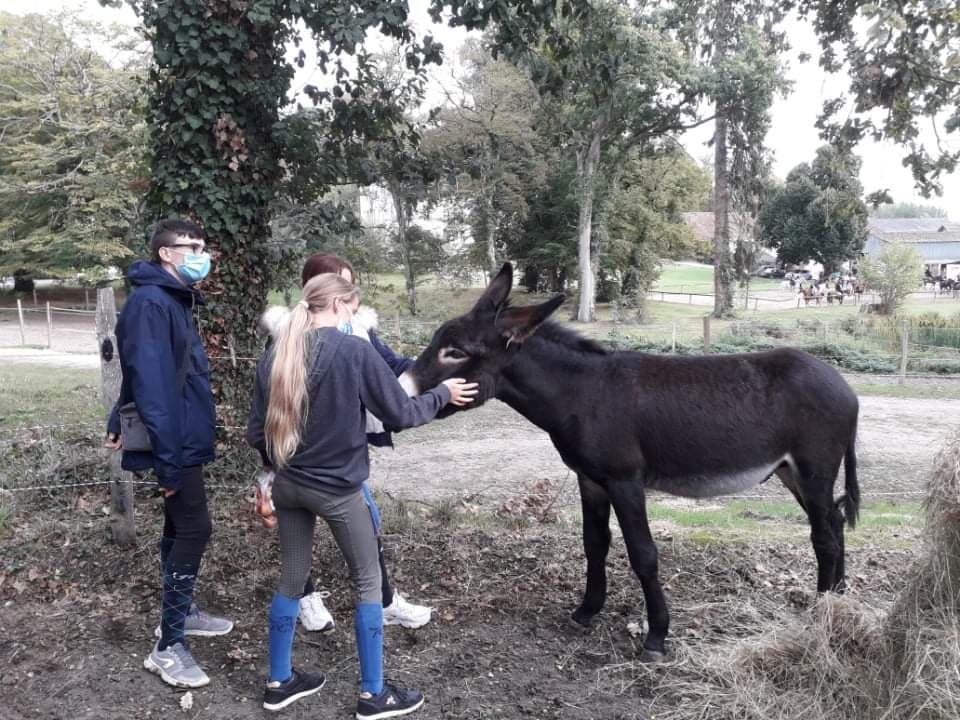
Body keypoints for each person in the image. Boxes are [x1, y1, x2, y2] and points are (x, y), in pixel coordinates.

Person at [246, 273, 476, 716]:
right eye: (353, 308)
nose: (355, 316)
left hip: (289, 486)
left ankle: (279, 681)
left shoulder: (277, 352)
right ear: (339, 305)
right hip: (338, 492)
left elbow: (257, 431)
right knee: (369, 582)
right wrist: (442, 393)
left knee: (292, 578)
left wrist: (278, 473)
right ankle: (373, 695)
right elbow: (401, 412)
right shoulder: (353, 351)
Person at [104, 219, 233, 689]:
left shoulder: (172, 301)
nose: (202, 254)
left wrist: (119, 415)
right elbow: (152, 386)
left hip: (183, 434)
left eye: (204, 245)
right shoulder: (151, 304)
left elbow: (145, 375)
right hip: (174, 439)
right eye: (192, 246)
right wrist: (169, 459)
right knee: (195, 528)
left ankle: (182, 612)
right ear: (166, 253)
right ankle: (168, 645)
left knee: (180, 525)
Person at [279, 253, 428, 634]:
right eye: (342, 287)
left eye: (351, 283)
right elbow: (401, 413)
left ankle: (385, 600)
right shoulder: (287, 338)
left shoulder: (359, 334)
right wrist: (440, 398)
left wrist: (435, 368)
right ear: (325, 295)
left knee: (363, 526)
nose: (351, 297)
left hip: (338, 454)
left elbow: (390, 364)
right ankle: (371, 681)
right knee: (331, 545)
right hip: (316, 461)